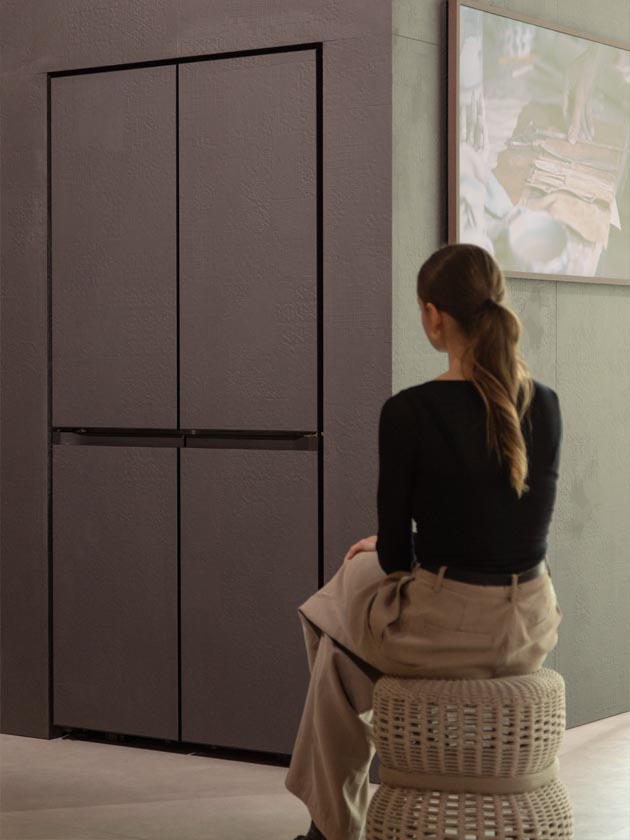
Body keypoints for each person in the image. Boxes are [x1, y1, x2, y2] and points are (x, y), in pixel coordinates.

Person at [285, 243, 563, 840]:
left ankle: (330, 827)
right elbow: (513, 527)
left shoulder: (408, 411)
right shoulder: (546, 404)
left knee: (335, 626)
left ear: (435, 316)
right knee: (341, 644)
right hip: (531, 626)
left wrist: (395, 545)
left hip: (447, 628)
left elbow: (391, 557)